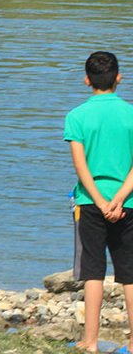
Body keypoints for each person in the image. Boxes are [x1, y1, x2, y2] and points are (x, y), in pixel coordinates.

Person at [66, 51, 133, 353]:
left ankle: (90, 342)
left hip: (90, 203)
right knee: (130, 274)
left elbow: (80, 167)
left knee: (93, 272)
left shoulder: (77, 116)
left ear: (86, 80)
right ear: (119, 78)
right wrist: (118, 199)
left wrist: (101, 201)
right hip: (128, 202)